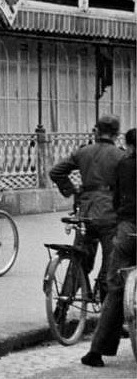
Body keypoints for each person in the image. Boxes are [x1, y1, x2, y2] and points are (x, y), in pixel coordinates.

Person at [50, 114, 125, 301]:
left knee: (80, 260)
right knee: (111, 263)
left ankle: (63, 303)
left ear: (96, 131)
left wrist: (73, 191)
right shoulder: (121, 156)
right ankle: (105, 307)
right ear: (116, 134)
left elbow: (56, 171)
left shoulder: (83, 152)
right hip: (110, 214)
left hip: (85, 213)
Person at [82, 127, 136, 368]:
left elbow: (115, 197)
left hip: (126, 229)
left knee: (115, 288)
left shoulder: (123, 165)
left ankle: (96, 351)